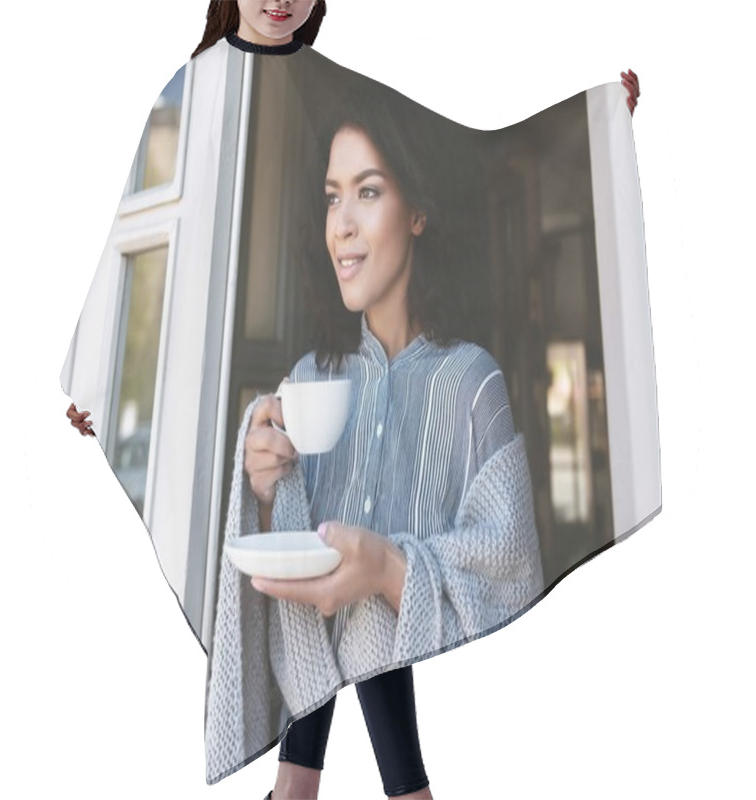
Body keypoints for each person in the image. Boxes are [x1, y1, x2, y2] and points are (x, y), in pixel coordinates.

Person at [64, 4, 642, 799]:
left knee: (372, 587)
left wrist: (598, 125)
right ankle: (356, 789)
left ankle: (309, 789)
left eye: (367, 192)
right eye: (333, 196)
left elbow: (507, 556)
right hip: (325, 641)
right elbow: (129, 242)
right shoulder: (305, 375)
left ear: (416, 211)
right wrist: (258, 476)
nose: (343, 224)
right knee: (349, 576)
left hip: (384, 628)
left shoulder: (470, 381)